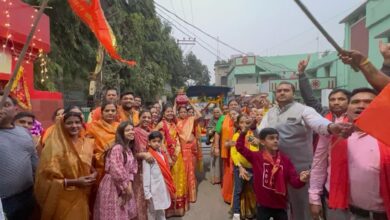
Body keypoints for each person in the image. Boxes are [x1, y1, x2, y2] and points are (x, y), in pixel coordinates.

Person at [258, 82, 353, 220]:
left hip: (300, 170)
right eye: (279, 91)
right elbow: (261, 132)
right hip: (277, 169)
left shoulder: (304, 110)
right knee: (281, 206)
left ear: (293, 93)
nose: (282, 93)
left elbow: (318, 122)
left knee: (302, 208)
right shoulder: (271, 113)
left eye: (286, 90)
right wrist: (253, 128)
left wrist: (331, 127)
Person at [309, 88, 390, 220]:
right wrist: (314, 197)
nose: (361, 105)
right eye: (356, 102)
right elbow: (319, 164)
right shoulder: (334, 132)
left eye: (368, 102)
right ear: (348, 108)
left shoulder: (386, 134)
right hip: (342, 210)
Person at [236, 127, 310, 220]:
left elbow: (294, 182)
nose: (275, 141)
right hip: (262, 205)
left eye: (277, 138)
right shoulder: (257, 157)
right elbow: (240, 147)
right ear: (262, 142)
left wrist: (302, 179)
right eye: (271, 138)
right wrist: (243, 133)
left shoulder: (285, 160)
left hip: (280, 205)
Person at [35, 110, 97, 220]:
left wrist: (94, 172)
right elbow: (45, 177)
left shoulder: (86, 143)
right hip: (62, 197)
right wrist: (75, 182)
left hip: (82, 195)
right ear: (62, 125)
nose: (74, 126)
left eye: (77, 122)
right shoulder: (54, 145)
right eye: (69, 123)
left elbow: (87, 163)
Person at [0, 92, 38, 220]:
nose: (1, 109)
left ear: (15, 110)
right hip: (3, 201)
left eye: (6, 105)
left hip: (28, 195)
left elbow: (34, 162)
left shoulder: (24, 132)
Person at [94, 121, 138, 220]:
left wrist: (129, 185)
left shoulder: (129, 149)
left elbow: (132, 169)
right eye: (127, 130)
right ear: (121, 133)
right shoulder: (117, 148)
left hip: (125, 184)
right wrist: (125, 188)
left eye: (132, 130)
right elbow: (116, 170)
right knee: (114, 214)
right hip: (114, 185)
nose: (131, 132)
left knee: (123, 212)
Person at [155, 104, 188, 217]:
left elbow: (178, 139)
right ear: (163, 113)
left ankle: (178, 208)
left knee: (178, 179)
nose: (170, 113)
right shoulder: (161, 125)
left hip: (177, 156)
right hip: (166, 157)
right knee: (169, 180)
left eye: (171, 112)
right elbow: (160, 142)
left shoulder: (173, 124)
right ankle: (169, 209)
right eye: (167, 112)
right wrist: (168, 157)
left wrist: (177, 152)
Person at [298, 55, 352, 119]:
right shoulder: (323, 113)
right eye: (332, 100)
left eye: (341, 99)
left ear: (350, 101)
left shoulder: (356, 116)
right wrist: (301, 73)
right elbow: (309, 98)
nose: (336, 103)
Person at [231, 114, 258, 220]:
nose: (244, 125)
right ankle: (236, 214)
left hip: (252, 168)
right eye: (241, 122)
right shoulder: (236, 136)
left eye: (246, 123)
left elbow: (255, 150)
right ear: (237, 124)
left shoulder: (250, 135)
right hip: (240, 168)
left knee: (256, 190)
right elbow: (233, 153)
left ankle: (258, 211)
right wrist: (240, 167)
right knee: (238, 190)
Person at [143, 131, 176, 220]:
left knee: (161, 210)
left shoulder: (162, 154)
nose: (157, 143)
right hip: (153, 190)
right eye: (154, 141)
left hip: (162, 187)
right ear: (149, 142)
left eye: (159, 141)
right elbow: (146, 176)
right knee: (152, 213)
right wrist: (147, 193)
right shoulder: (148, 157)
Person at [86, 102, 119, 183]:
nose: (110, 113)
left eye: (113, 110)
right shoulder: (92, 127)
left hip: (118, 167)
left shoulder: (120, 127)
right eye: (107, 111)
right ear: (102, 112)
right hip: (99, 168)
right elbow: (87, 150)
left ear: (116, 112)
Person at [214, 99, 240, 203]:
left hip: (239, 150)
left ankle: (238, 197)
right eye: (231, 104)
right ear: (228, 107)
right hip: (227, 150)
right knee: (228, 172)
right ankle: (229, 196)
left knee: (238, 171)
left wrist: (236, 121)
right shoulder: (222, 118)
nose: (233, 106)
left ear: (238, 106)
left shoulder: (241, 117)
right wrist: (216, 147)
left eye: (235, 104)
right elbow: (217, 133)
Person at [176, 103, 202, 203]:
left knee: (191, 170)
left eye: (185, 112)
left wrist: (191, 103)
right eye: (181, 112)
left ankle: (192, 195)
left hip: (192, 148)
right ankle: (185, 194)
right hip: (183, 148)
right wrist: (175, 103)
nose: (183, 113)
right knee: (184, 170)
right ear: (178, 113)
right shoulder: (176, 121)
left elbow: (199, 115)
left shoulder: (190, 119)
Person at [133, 110, 155, 220]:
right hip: (138, 169)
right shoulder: (134, 132)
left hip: (150, 168)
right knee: (139, 195)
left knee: (149, 195)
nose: (146, 119)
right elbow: (130, 153)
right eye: (144, 117)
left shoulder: (152, 133)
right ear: (139, 118)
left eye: (148, 117)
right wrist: (143, 155)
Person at [208, 107, 222, 184]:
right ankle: (214, 179)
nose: (216, 113)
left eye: (218, 112)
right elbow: (208, 132)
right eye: (215, 112)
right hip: (214, 143)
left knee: (221, 161)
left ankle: (220, 179)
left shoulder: (223, 119)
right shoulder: (211, 120)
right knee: (214, 160)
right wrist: (213, 130)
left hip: (223, 141)